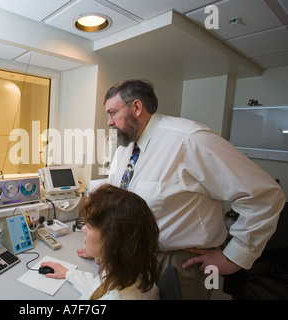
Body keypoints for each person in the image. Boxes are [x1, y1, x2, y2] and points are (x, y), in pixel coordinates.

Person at [78, 79, 285, 300]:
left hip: (182, 263)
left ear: (137, 107)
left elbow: (265, 196)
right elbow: (119, 205)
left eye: (113, 113)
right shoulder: (127, 147)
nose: (109, 122)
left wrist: (233, 257)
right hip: (136, 256)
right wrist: (106, 247)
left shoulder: (190, 140)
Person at [41, 184, 160, 300]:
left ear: (112, 240)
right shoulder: (130, 272)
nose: (83, 228)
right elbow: (98, 288)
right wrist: (68, 274)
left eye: (90, 226)